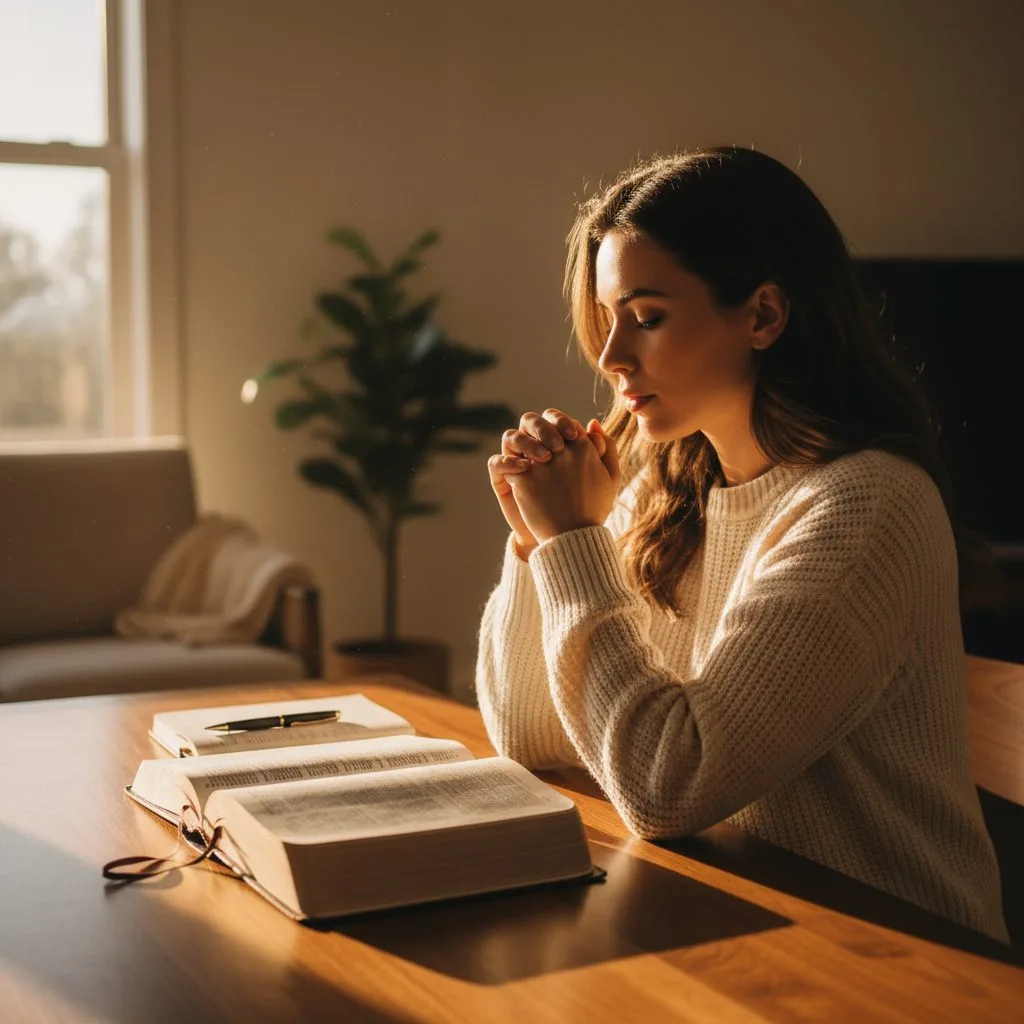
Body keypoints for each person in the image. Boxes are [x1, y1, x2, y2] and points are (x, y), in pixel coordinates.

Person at [476, 146, 1009, 944]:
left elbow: (669, 787)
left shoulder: (866, 504)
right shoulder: (667, 489)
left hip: (895, 957)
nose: (612, 356)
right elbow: (531, 731)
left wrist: (574, 542)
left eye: (647, 317)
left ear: (762, 315)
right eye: (608, 318)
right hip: (740, 917)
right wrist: (539, 544)